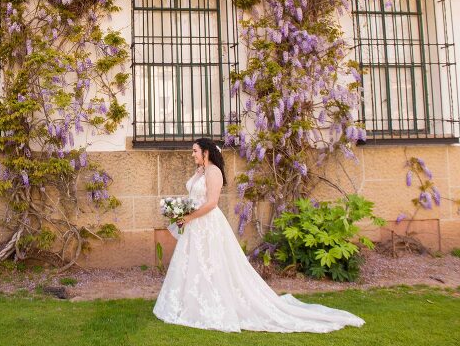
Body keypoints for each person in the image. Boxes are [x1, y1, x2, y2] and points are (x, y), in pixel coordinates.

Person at [153, 138, 365, 332]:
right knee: (195, 264)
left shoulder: (214, 172)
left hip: (207, 223)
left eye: (195, 151)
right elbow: (194, 195)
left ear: (206, 152)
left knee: (213, 264)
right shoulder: (201, 171)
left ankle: (214, 303)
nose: (192, 155)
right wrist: (181, 209)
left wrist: (189, 217)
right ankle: (190, 302)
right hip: (195, 225)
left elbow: (211, 203)